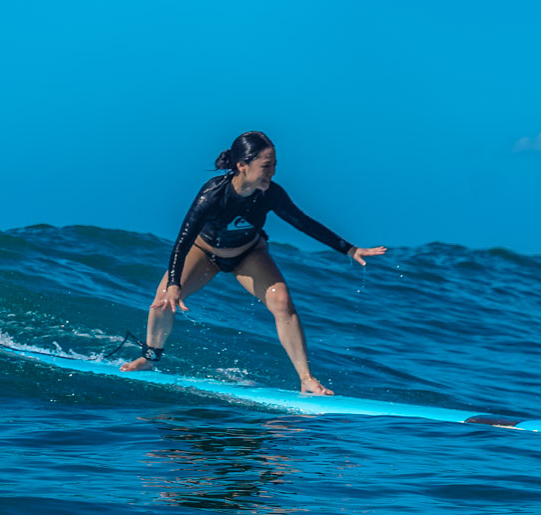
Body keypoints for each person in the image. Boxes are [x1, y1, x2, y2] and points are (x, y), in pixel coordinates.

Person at [121, 131, 385, 395]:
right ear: (242, 166)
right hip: (204, 252)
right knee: (162, 300)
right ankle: (149, 359)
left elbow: (303, 223)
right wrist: (175, 284)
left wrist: (349, 249)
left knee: (282, 302)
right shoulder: (213, 194)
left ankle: (306, 380)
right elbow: (183, 240)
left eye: (274, 166)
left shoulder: (271, 194)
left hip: (248, 254)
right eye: (265, 166)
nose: (271, 173)